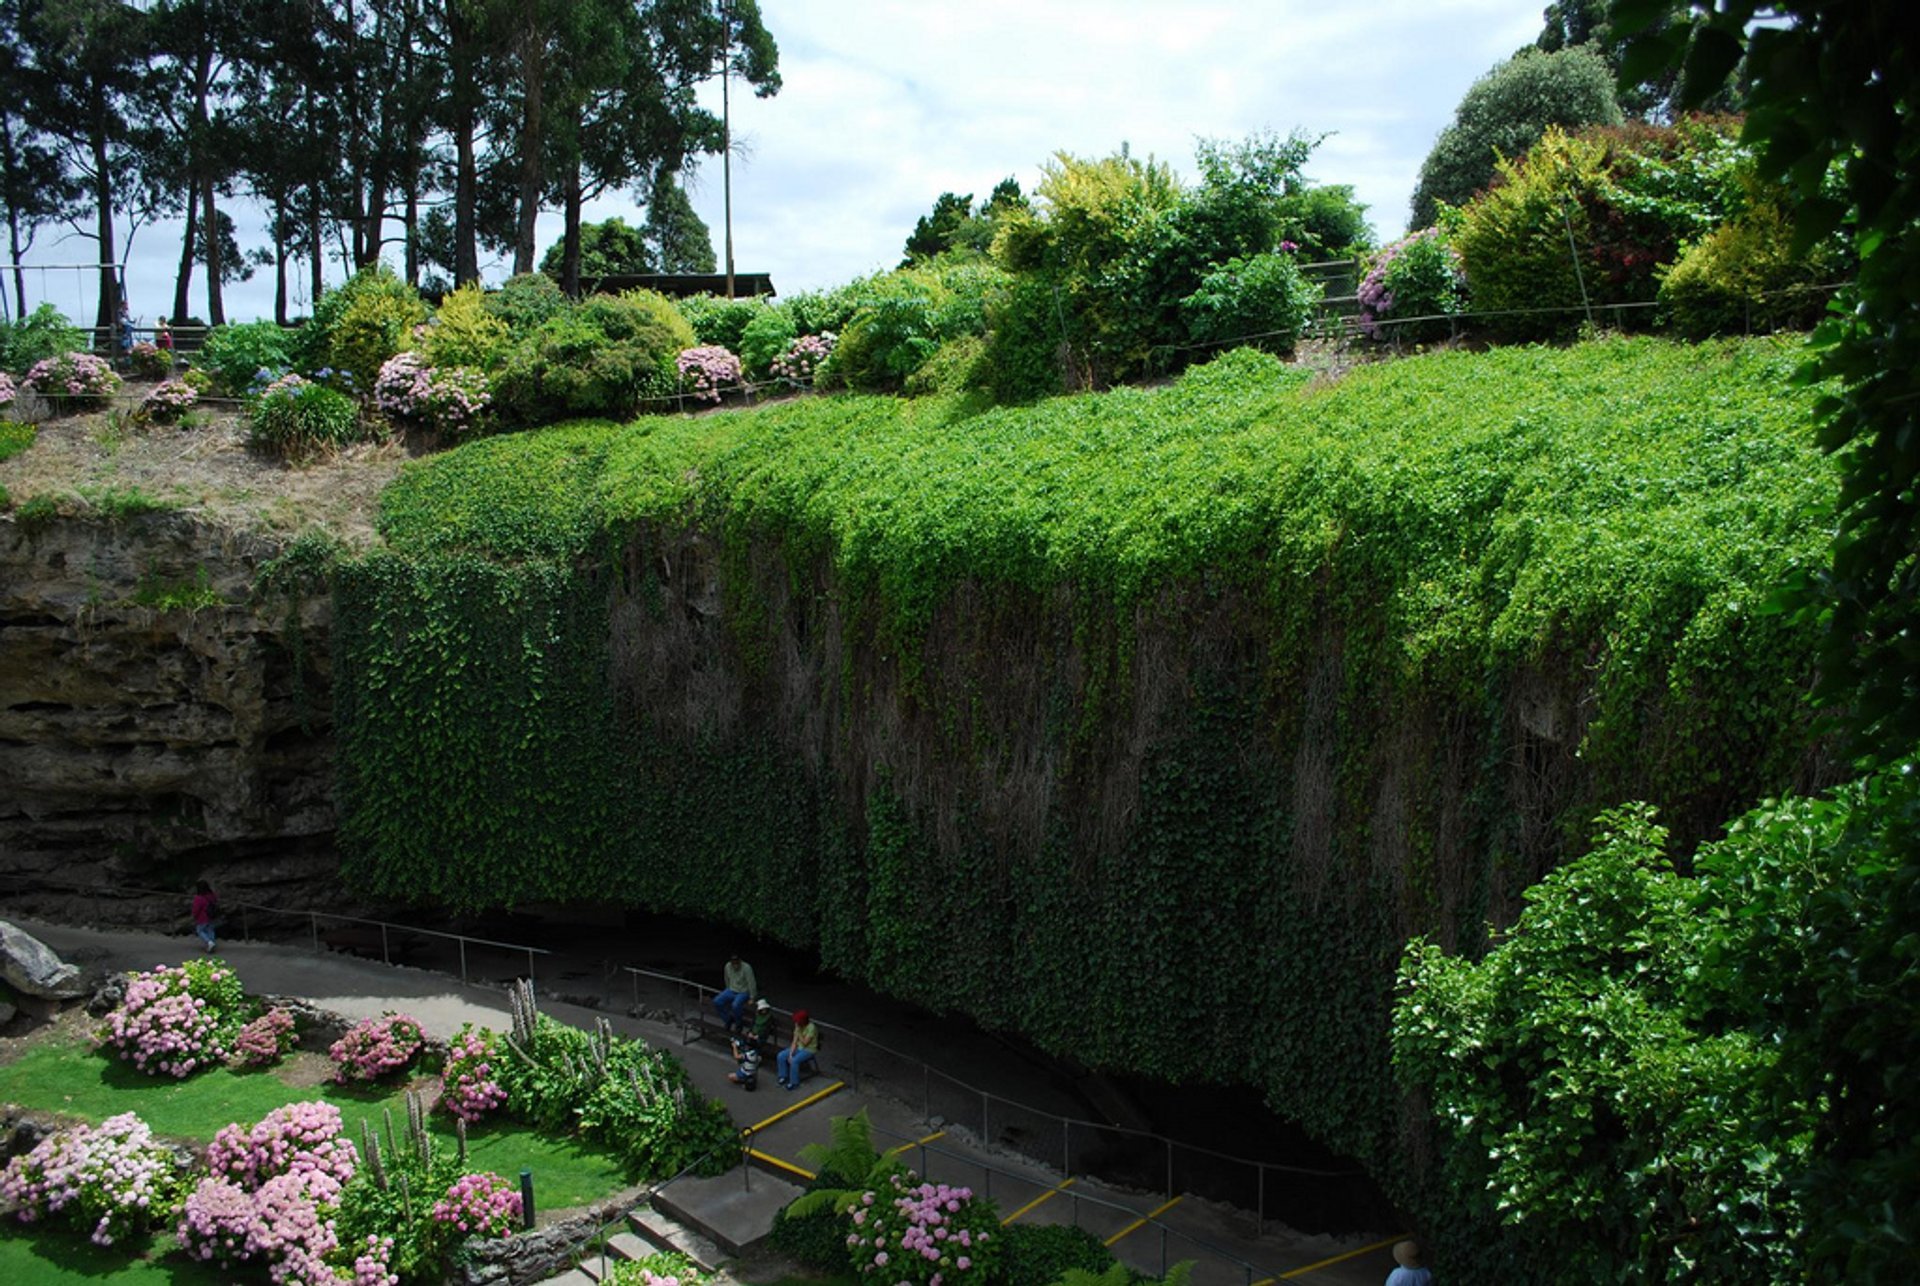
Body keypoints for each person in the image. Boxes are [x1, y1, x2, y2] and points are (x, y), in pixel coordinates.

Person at [777, 1007, 819, 1090]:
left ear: (803, 1021)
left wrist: (799, 1032)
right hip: (799, 1048)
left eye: (798, 1021)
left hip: (809, 1050)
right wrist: (790, 1054)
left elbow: (805, 1042)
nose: (796, 1022)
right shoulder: (798, 1026)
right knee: (781, 1056)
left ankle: (794, 1082)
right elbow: (794, 1042)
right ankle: (783, 1076)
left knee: (795, 1061)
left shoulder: (811, 1028)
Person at [714, 952, 757, 1031]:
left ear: (740, 961)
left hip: (743, 991)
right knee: (717, 1001)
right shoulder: (727, 966)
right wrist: (726, 990)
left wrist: (752, 997)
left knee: (735, 1005)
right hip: (731, 989)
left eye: (737, 962)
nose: (735, 965)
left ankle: (738, 1024)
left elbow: (751, 982)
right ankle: (728, 1020)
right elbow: (726, 978)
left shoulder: (746, 968)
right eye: (733, 962)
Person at [727, 1026, 763, 1091]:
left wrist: (734, 1047)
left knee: (730, 1076)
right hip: (752, 1070)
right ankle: (749, 1080)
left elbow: (736, 1056)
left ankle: (744, 1080)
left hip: (746, 1072)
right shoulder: (755, 1050)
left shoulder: (750, 1054)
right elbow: (742, 1043)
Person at [190, 880, 219, 952]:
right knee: (210, 930)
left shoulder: (199, 898)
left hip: (202, 917)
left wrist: (194, 915)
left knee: (200, 930)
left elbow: (196, 909)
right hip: (211, 916)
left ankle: (209, 942)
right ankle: (212, 943)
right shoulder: (212, 895)